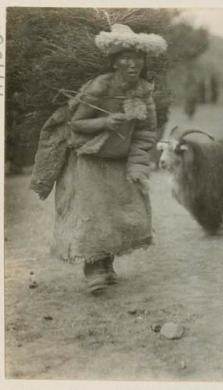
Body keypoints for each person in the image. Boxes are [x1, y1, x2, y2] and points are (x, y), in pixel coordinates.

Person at [30, 24, 167, 295]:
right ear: (115, 62)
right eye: (126, 58)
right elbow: (77, 122)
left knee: (116, 216)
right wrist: (106, 121)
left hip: (118, 161)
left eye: (137, 59)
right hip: (88, 158)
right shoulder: (99, 85)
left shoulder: (144, 91)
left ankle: (107, 264)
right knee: (92, 215)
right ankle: (94, 270)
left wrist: (138, 165)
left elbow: (145, 133)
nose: (132, 64)